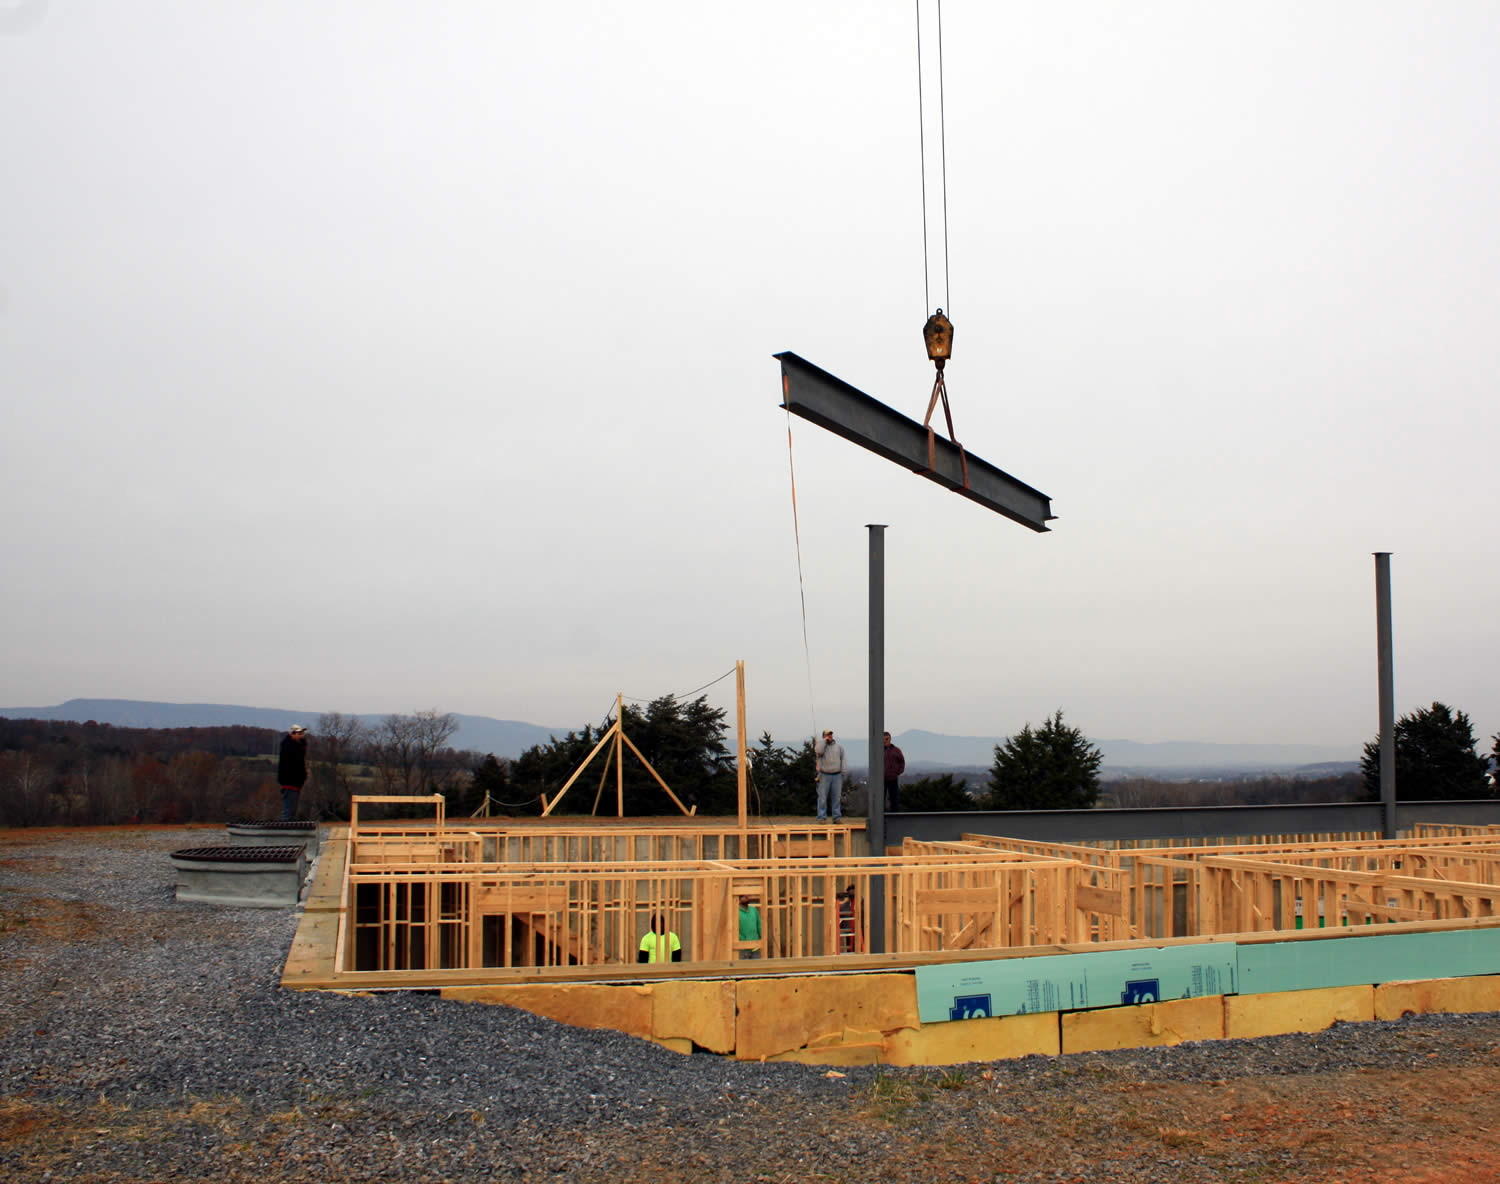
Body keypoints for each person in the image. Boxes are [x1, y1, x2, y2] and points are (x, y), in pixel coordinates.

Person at [277, 724, 309, 821]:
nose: (301, 735)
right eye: (299, 733)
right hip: (290, 782)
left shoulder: (296, 746)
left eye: (302, 733)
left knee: (292, 809)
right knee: (288, 810)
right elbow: (292, 765)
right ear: (292, 734)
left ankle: (288, 827)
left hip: (296, 783)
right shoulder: (289, 747)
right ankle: (285, 828)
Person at [814, 728, 847, 823]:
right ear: (824, 736)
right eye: (827, 735)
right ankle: (821, 817)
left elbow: (843, 759)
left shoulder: (839, 747)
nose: (830, 736)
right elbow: (818, 751)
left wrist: (843, 771)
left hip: (837, 775)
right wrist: (824, 741)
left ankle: (836, 817)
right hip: (824, 774)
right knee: (822, 798)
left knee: (836, 798)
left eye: (831, 735)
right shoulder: (820, 746)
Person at [883, 731, 906, 812]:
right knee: (881, 798)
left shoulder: (896, 750)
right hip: (882, 779)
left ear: (890, 739)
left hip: (893, 778)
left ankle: (895, 815)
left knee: (894, 798)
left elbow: (902, 762)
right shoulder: (878, 751)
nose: (885, 741)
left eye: (887, 739)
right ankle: (881, 815)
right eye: (883, 739)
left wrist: (898, 772)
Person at [737, 894, 762, 959]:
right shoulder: (735, 912)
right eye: (743, 896)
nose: (747, 897)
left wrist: (762, 939)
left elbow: (759, 926)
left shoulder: (753, 910)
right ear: (739, 899)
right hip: (742, 948)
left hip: (755, 948)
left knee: (756, 968)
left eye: (747, 895)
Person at [836, 885, 859, 953]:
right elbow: (841, 919)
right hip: (849, 932)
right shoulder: (844, 906)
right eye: (850, 891)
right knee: (850, 949)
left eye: (853, 891)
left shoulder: (862, 903)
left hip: (859, 931)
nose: (852, 893)